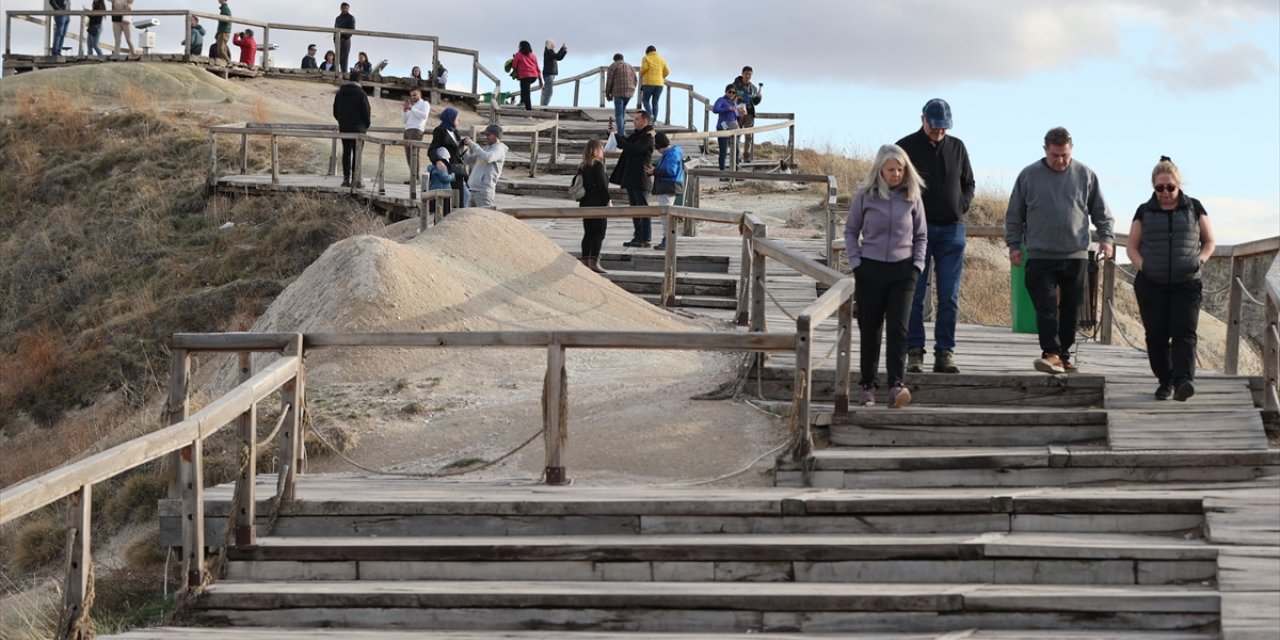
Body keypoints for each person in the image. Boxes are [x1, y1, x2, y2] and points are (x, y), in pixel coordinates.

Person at [1005, 126, 1115, 374]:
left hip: (1075, 254)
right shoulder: (1028, 176)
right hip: (1040, 254)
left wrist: (1106, 240)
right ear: (1046, 151)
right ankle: (1050, 353)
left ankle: (1063, 355)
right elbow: (1014, 215)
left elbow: (1102, 213)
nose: (1060, 160)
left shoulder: (1086, 175)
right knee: (1045, 306)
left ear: (1071, 150)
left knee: (1070, 310)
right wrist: (1014, 245)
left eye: (1064, 155)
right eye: (1055, 155)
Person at [846, 144, 928, 409]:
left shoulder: (912, 196)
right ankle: (867, 387)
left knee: (898, 329)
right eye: (891, 169)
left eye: (901, 169)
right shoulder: (865, 195)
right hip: (870, 269)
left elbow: (921, 235)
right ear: (880, 170)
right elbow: (850, 231)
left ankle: (896, 386)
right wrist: (856, 263)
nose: (896, 174)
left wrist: (917, 265)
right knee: (870, 329)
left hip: (903, 271)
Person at [1127, 156, 1216, 401]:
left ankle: (1184, 381)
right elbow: (1132, 246)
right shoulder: (1144, 211)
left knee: (1184, 333)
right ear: (1153, 187)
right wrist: (1144, 266)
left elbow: (1209, 241)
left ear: (1179, 185)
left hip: (1186, 282)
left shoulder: (1195, 207)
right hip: (1151, 284)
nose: (1165, 192)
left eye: (1170, 187)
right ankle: (1165, 380)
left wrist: (1200, 259)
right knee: (1156, 336)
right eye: (1159, 187)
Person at [897, 98, 975, 375]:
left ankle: (945, 353)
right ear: (923, 120)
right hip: (917, 231)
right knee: (915, 294)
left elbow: (969, 183)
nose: (939, 132)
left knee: (949, 296)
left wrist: (960, 205)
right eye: (935, 127)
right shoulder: (904, 147)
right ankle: (914, 353)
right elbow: (893, 184)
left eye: (944, 128)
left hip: (953, 231)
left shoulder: (958, 147)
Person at [612, 110, 656, 248]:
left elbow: (633, 148)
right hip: (632, 177)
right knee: (635, 209)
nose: (634, 121)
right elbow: (624, 143)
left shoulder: (648, 136)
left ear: (645, 121)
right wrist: (613, 134)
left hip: (640, 177)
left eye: (636, 119)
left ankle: (645, 238)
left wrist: (617, 137)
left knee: (643, 209)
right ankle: (637, 237)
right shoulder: (638, 134)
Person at [577, 138, 611, 274]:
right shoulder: (598, 165)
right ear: (596, 150)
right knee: (599, 233)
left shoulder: (582, 165)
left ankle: (585, 259)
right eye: (601, 149)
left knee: (588, 233)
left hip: (585, 202)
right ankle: (594, 261)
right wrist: (608, 200)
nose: (603, 151)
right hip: (598, 203)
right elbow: (602, 185)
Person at [332, 71, 371, 188]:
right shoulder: (361, 94)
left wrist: (342, 122)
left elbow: (335, 111)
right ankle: (355, 179)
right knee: (357, 154)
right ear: (360, 81)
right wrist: (365, 125)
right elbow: (366, 112)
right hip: (359, 128)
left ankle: (345, 179)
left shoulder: (340, 93)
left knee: (346, 152)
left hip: (344, 127)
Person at [649, 132, 685, 251]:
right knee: (666, 215)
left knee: (666, 215)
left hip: (669, 186)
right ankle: (667, 238)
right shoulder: (673, 152)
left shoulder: (672, 154)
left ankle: (668, 240)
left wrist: (654, 171)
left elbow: (670, 171)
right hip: (669, 186)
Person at [429, 107, 468, 207]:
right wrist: (438, 161)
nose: (459, 120)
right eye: (457, 118)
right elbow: (432, 149)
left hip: (457, 169)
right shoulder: (439, 131)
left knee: (459, 200)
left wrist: (463, 142)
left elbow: (455, 145)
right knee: (446, 202)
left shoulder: (455, 131)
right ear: (450, 118)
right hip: (447, 168)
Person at [462, 124, 508, 209]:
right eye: (485, 134)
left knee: (484, 219)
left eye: (488, 135)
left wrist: (472, 144)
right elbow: (468, 160)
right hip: (472, 190)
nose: (486, 137)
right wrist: (461, 148)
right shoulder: (486, 149)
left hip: (484, 191)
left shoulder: (499, 149)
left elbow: (488, 158)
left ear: (496, 135)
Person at [733, 67, 762, 162]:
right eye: (746, 74)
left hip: (749, 113)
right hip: (738, 113)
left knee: (748, 135)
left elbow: (755, 102)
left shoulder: (753, 87)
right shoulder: (735, 84)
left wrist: (759, 97)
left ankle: (746, 156)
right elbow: (730, 96)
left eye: (749, 74)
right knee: (736, 134)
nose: (748, 76)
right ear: (742, 74)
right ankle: (736, 156)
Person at [605, 53, 637, 135]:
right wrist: (632, 89)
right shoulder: (630, 66)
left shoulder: (613, 66)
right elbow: (635, 79)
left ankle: (621, 134)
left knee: (619, 114)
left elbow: (609, 81)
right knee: (622, 110)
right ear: (622, 58)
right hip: (630, 91)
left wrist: (607, 93)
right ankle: (623, 130)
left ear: (614, 59)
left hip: (618, 91)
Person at [712, 84, 740, 171]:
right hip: (722, 127)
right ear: (726, 92)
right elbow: (715, 109)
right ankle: (722, 173)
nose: (731, 94)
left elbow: (736, 117)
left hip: (733, 128)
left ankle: (736, 172)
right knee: (723, 151)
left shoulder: (735, 103)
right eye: (730, 92)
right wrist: (728, 109)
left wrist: (741, 113)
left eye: (733, 92)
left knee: (736, 151)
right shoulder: (721, 100)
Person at [638, 45, 669, 122]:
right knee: (655, 102)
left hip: (649, 82)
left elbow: (644, 68)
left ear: (647, 52)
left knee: (645, 100)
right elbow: (667, 71)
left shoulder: (646, 58)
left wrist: (641, 73)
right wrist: (661, 77)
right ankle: (654, 121)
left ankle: (650, 115)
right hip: (659, 84)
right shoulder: (662, 59)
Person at [402, 88, 429, 173]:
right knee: (408, 155)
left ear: (419, 94)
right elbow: (404, 121)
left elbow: (424, 116)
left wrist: (411, 109)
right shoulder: (412, 106)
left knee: (414, 154)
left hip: (417, 130)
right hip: (407, 130)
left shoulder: (425, 103)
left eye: (415, 94)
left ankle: (416, 177)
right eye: (411, 95)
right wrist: (405, 111)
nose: (413, 97)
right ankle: (412, 175)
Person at [426, 149, 455, 217]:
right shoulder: (441, 168)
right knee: (445, 209)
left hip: (433, 190)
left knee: (433, 208)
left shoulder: (432, 168)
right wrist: (452, 176)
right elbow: (445, 178)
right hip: (443, 191)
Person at [512, 41, 540, 111]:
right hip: (534, 76)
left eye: (519, 46)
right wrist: (540, 79)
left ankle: (528, 109)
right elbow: (537, 67)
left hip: (525, 76)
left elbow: (514, 66)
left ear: (521, 47)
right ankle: (522, 101)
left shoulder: (518, 55)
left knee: (526, 91)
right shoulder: (533, 55)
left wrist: (514, 58)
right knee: (524, 87)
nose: (518, 47)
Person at [540, 40, 568, 107]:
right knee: (549, 91)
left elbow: (559, 57)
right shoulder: (549, 52)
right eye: (552, 44)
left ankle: (543, 105)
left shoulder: (549, 52)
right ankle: (544, 105)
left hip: (549, 74)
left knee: (546, 90)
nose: (554, 45)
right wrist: (563, 48)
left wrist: (563, 49)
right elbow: (558, 56)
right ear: (549, 45)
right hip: (549, 74)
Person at [335, 2, 355, 72]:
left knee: (344, 58)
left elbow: (352, 30)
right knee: (337, 57)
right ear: (341, 8)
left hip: (345, 40)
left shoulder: (351, 18)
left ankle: (344, 73)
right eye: (343, 8)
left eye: (346, 8)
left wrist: (344, 36)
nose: (344, 9)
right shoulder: (338, 18)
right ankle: (336, 72)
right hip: (338, 40)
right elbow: (335, 29)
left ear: (348, 8)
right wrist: (335, 39)